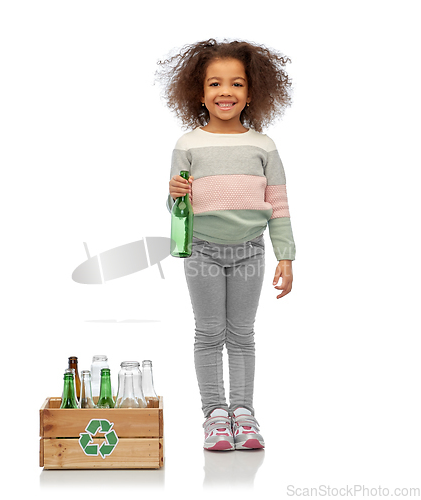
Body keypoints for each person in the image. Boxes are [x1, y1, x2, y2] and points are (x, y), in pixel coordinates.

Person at [157, 39, 296, 451]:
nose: (225, 92)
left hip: (251, 249)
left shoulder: (264, 145)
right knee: (209, 332)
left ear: (251, 93)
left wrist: (285, 255)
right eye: (215, 84)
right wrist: (174, 191)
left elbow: (279, 203)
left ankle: (243, 413)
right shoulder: (187, 144)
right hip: (202, 249)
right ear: (199, 93)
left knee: (242, 334)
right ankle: (215, 415)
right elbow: (176, 205)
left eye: (236, 84)